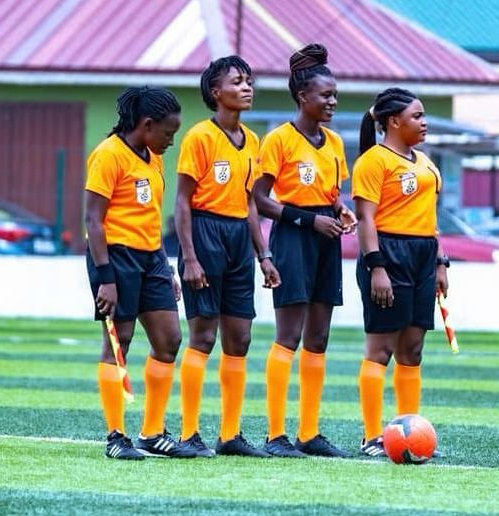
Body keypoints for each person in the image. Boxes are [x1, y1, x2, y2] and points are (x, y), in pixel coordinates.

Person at [252, 43, 356, 458]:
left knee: (319, 336)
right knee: (289, 335)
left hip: (326, 241)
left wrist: (340, 208)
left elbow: (332, 193)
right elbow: (260, 200)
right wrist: (308, 219)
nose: (332, 102)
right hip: (294, 238)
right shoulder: (279, 139)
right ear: (302, 97)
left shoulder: (333, 142)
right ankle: (276, 435)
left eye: (334, 96)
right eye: (325, 96)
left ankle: (308, 433)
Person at [175, 56, 280, 458]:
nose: (247, 87)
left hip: (239, 238)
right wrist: (189, 257)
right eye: (237, 82)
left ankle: (230, 434)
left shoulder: (252, 141)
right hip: (204, 232)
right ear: (216, 93)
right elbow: (182, 201)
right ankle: (188, 432)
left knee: (240, 337)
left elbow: (251, 204)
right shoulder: (200, 137)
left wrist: (263, 255)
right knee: (203, 335)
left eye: (249, 80)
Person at [85, 86, 196, 460]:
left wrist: (165, 266)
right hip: (114, 258)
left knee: (169, 339)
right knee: (120, 340)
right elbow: (93, 221)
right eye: (168, 132)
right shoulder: (108, 155)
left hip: (151, 259)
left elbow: (149, 218)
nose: (172, 139)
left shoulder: (153, 156)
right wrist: (106, 278)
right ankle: (116, 436)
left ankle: (152, 432)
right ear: (147, 125)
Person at [351, 87, 449, 458]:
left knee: (412, 348)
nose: (424, 123)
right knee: (381, 348)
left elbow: (430, 220)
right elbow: (365, 219)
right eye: (417, 116)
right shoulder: (374, 161)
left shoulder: (425, 162)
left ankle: (408, 434)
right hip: (388, 255)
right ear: (394, 122)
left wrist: (440, 262)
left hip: (423, 256)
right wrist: (376, 267)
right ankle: (372, 436)